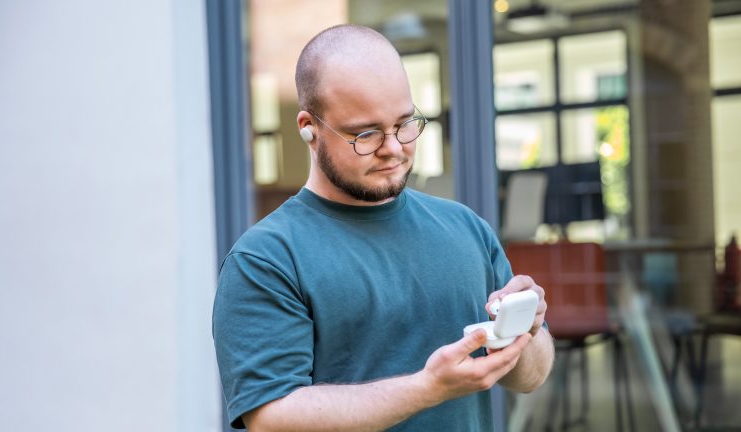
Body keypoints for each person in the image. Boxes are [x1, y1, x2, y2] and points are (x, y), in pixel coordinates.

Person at [213, 24, 554, 431]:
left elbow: (531, 377)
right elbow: (271, 417)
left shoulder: (465, 228)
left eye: (404, 123)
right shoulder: (266, 258)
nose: (393, 147)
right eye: (366, 133)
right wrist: (427, 388)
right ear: (310, 127)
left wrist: (527, 329)